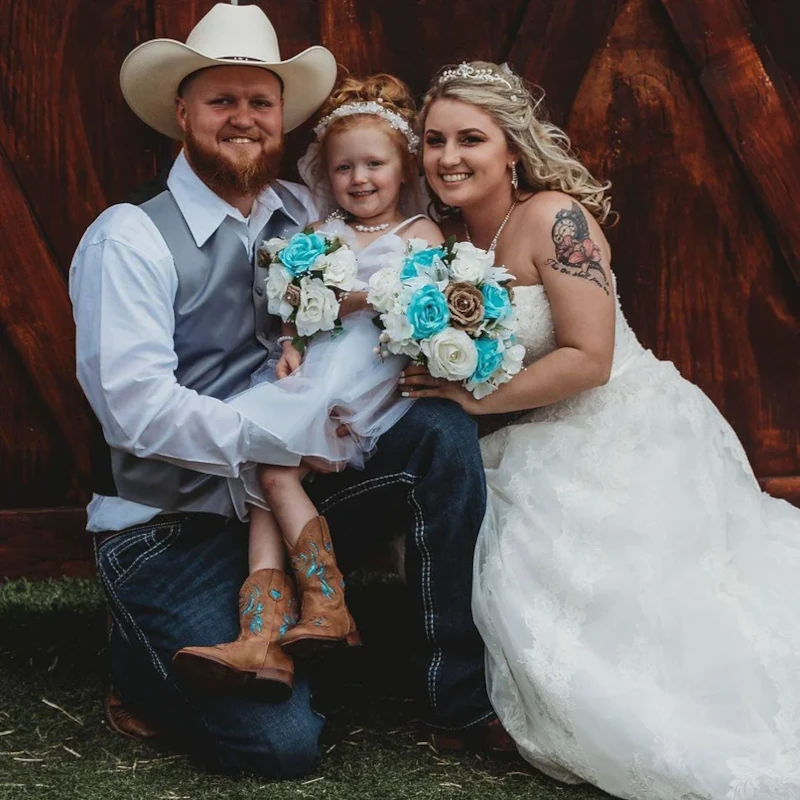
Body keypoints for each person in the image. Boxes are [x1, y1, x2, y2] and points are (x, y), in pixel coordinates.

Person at [68, 3, 501, 776]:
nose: (243, 118)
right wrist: (283, 442)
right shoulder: (127, 238)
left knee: (440, 433)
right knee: (279, 746)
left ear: (280, 117)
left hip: (299, 483)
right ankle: (143, 657)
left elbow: (380, 279)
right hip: (176, 521)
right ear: (182, 111)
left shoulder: (306, 213)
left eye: (259, 102)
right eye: (221, 100)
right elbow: (133, 410)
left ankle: (457, 699)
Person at [400, 60, 800, 798]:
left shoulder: (556, 217)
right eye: (434, 140)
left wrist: (469, 402)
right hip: (528, 427)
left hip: (622, 424)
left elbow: (590, 358)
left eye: (470, 139)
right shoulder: (447, 243)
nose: (449, 157)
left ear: (511, 149)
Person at [172, 73, 445, 702]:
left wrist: (334, 297)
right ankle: (264, 636)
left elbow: (406, 303)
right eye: (344, 167)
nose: (360, 179)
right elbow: (296, 309)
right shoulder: (322, 232)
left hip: (365, 380)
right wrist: (295, 335)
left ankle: (324, 604)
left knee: (271, 473)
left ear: (403, 170)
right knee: (268, 476)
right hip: (316, 370)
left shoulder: (419, 236)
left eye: (375, 164)